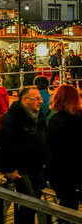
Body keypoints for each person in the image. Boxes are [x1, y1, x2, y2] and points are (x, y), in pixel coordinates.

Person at [0, 86, 48, 224]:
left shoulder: (40, 116)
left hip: (37, 166)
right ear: (25, 100)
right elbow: (5, 144)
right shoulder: (10, 118)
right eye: (36, 98)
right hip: (20, 169)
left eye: (40, 98)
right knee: (29, 202)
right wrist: (8, 169)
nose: (40, 101)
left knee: (33, 201)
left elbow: (44, 139)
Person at [47, 84, 82, 217]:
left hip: (61, 169)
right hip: (77, 167)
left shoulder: (54, 120)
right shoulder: (79, 118)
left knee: (67, 203)